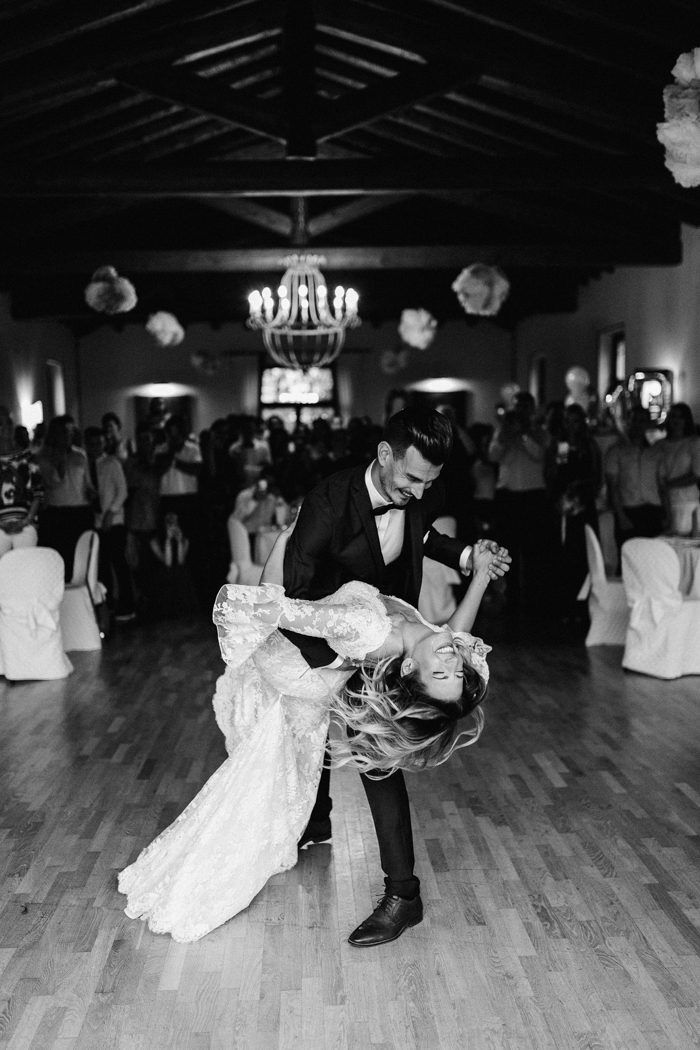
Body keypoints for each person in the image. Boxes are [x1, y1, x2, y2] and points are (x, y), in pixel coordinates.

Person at [117, 525, 502, 943]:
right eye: (454, 670)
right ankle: (318, 825)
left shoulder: (370, 630)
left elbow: (267, 608)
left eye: (443, 672)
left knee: (310, 755)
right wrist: (480, 574)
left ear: (409, 669)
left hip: (302, 668)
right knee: (298, 755)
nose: (452, 658)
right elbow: (458, 637)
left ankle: (394, 888)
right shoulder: (433, 646)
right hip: (303, 668)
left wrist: (282, 544)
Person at [282, 407, 510, 947]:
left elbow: (423, 535)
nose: (418, 490)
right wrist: (332, 666)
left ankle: (403, 895)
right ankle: (316, 819)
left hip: (386, 638)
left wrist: (469, 557)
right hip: (329, 637)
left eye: (429, 482)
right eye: (411, 478)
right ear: (385, 455)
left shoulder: (415, 490)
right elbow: (294, 594)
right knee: (305, 727)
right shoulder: (327, 505)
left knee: (374, 759)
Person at [84, 425, 136, 622]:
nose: (95, 446)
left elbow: (122, 491)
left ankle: (128, 605)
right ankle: (108, 605)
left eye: (99, 443)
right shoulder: (87, 465)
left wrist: (110, 513)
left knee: (119, 563)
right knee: (102, 565)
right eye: (91, 443)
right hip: (96, 520)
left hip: (114, 520)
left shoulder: (111, 463)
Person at [36, 414, 94, 580]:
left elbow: (87, 483)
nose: (69, 435)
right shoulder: (44, 456)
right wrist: (59, 460)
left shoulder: (80, 455)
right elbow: (53, 482)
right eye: (65, 432)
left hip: (80, 511)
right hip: (57, 513)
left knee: (81, 557)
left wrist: (92, 493)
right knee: (60, 559)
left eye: (71, 431)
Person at [0, 405, 43, 556]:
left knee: (25, 565)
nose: (3, 429)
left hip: (25, 522)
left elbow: (38, 492)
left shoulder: (28, 458)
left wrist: (27, 520)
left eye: (6, 423)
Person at [656, 402, 700, 536]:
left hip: (687, 501)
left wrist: (669, 484)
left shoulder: (694, 443)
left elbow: (697, 474)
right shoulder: (660, 445)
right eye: (673, 416)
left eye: (680, 417)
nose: (676, 420)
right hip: (663, 502)